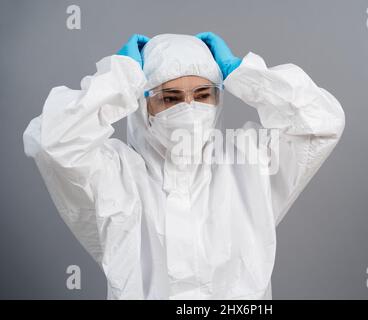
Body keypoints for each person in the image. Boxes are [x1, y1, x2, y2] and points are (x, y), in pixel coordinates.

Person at [23, 32, 345, 299]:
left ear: (217, 99)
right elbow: (53, 142)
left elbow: (322, 123)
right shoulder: (114, 173)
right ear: (142, 105)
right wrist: (119, 77)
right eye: (170, 98)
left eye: (203, 94)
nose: (189, 109)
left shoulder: (248, 162)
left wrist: (246, 75)